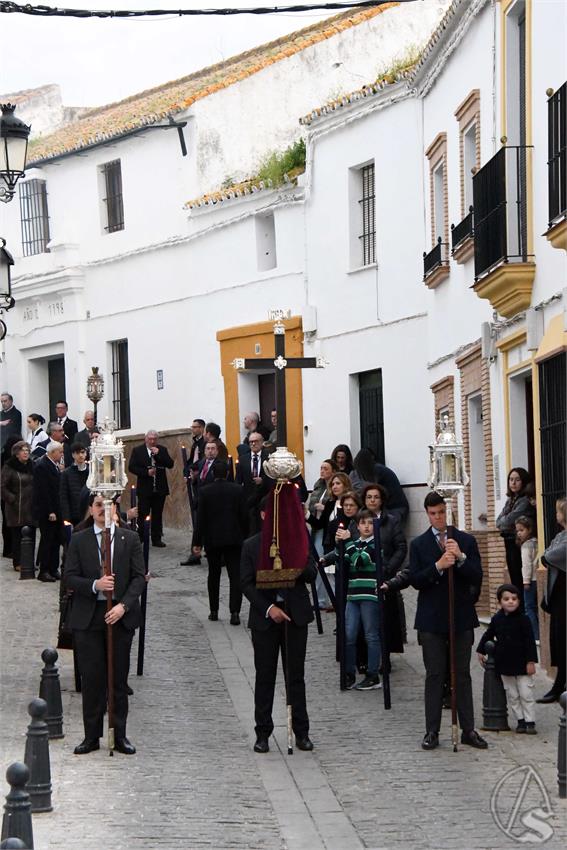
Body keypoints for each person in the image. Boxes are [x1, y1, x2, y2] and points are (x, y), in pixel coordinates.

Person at [65, 493, 146, 755]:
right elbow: (69, 577)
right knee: (92, 680)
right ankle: (91, 736)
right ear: (91, 509)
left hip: (119, 616)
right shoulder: (79, 539)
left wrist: (123, 606)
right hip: (89, 617)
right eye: (98, 505)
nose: (103, 509)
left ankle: (119, 735)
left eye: (107, 505)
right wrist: (95, 585)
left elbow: (139, 578)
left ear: (115, 510)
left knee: (118, 680)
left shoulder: (129, 539)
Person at [409, 491, 487, 751]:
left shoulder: (465, 540)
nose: (438, 518)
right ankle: (432, 730)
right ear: (427, 514)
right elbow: (416, 580)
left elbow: (477, 575)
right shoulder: (419, 544)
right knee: (435, 674)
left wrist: (461, 558)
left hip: (460, 617)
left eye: (441, 512)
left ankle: (468, 729)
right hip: (431, 620)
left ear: (448, 511)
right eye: (433, 514)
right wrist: (438, 566)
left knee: (461, 674)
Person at [241, 499, 317, 754]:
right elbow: (246, 583)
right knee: (265, 676)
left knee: (295, 676)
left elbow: (311, 573)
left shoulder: (298, 540)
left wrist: (295, 562)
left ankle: (301, 732)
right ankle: (263, 732)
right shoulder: (251, 545)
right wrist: (269, 608)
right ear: (265, 515)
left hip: (295, 616)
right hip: (266, 619)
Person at [477, 583, 538, 734]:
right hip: (504, 664)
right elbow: (488, 634)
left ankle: (530, 721)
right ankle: (520, 721)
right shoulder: (497, 619)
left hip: (522, 664)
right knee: (513, 695)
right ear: (500, 602)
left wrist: (531, 662)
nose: (510, 601)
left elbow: (530, 642)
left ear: (519, 601)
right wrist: (480, 650)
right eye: (506, 599)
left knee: (526, 693)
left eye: (514, 599)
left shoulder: (524, 619)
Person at [193, 460, 248, 623]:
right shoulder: (238, 490)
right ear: (228, 473)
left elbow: (200, 519)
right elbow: (244, 516)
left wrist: (197, 542)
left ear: (212, 474)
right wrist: (246, 537)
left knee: (213, 575)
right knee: (235, 576)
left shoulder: (205, 491)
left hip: (213, 539)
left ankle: (214, 610)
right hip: (234, 539)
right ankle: (235, 612)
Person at [337, 509, 382, 691]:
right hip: (353, 594)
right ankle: (349, 673)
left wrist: (347, 542)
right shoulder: (355, 544)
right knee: (349, 635)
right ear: (357, 526)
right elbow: (343, 559)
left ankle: (373, 674)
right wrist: (338, 546)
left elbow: (359, 560)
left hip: (369, 595)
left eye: (370, 523)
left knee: (371, 635)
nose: (367, 526)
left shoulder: (376, 544)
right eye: (363, 523)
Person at [537, 497, 566, 704]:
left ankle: (560, 686)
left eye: (558, 511)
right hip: (557, 595)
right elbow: (547, 554)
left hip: (564, 595)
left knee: (563, 639)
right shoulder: (560, 536)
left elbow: (549, 556)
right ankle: (560, 683)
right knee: (558, 639)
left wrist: (547, 555)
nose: (555, 514)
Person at [495, 467, 534, 611]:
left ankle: (522, 608)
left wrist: (504, 522)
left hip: (518, 543)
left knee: (519, 576)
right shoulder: (510, 500)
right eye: (511, 479)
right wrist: (504, 522)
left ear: (523, 481)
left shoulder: (524, 501)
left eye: (517, 480)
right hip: (509, 541)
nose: (513, 483)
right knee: (514, 576)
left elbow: (507, 521)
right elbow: (499, 521)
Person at [128, 430, 174, 547]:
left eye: (154, 439)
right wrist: (146, 472)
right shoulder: (138, 450)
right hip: (144, 488)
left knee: (157, 514)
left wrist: (159, 454)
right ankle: (141, 537)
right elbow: (132, 467)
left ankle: (156, 538)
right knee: (143, 513)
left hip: (159, 488)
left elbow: (170, 464)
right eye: (150, 439)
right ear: (145, 439)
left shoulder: (162, 450)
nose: (152, 441)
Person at [33, 441, 64, 582]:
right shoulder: (42, 466)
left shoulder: (54, 465)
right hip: (47, 511)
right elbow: (43, 491)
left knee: (56, 540)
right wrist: (50, 511)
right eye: (60, 452)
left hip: (57, 509)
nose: (62, 454)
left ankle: (53, 568)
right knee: (48, 540)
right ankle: (44, 570)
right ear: (52, 452)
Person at [1, 441, 35, 572]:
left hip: (30, 506)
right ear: (16, 453)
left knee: (31, 535)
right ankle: (18, 562)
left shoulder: (32, 465)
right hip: (16, 508)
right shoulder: (9, 467)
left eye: (27, 450)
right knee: (18, 536)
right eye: (22, 450)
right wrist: (12, 499)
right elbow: (2, 486)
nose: (26, 453)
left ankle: (29, 561)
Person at [236, 432, 270, 535]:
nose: (253, 444)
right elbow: (238, 480)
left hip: (264, 498)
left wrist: (263, 480)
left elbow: (272, 478)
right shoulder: (243, 459)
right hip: (248, 500)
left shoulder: (268, 458)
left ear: (262, 442)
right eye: (251, 442)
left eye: (256, 441)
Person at [515, 515, 539, 640]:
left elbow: (527, 565)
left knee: (529, 607)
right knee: (535, 606)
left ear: (529, 529)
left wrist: (526, 581)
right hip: (537, 578)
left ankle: (534, 634)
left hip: (530, 580)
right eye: (517, 530)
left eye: (522, 530)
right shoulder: (537, 542)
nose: (519, 533)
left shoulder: (526, 546)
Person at [60, 444, 90, 526]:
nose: (80, 455)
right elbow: (63, 496)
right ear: (73, 455)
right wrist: (66, 517)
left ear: (86, 454)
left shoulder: (91, 471)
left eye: (82, 452)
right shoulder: (66, 473)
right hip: (74, 514)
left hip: (90, 511)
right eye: (77, 453)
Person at [54, 401, 78, 466]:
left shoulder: (72, 424)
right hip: (54, 452)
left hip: (66, 453)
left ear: (66, 409)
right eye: (58, 408)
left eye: (62, 408)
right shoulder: (52, 423)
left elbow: (73, 440)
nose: (59, 410)